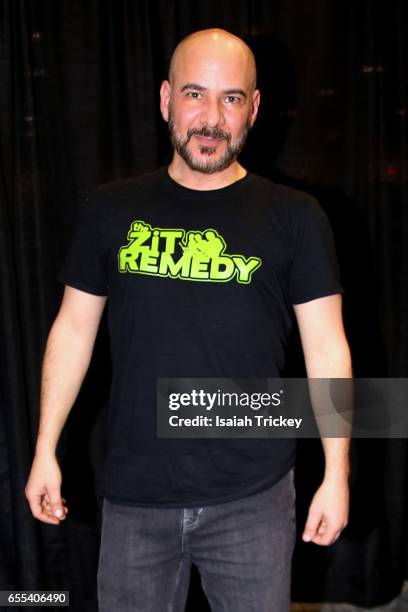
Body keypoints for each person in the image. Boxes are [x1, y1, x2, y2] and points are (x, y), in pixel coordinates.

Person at [25, 28, 351, 612]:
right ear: (165, 99)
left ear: (252, 109)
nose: (210, 117)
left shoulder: (296, 218)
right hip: (134, 497)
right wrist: (45, 447)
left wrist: (337, 471)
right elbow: (72, 329)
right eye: (195, 94)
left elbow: (327, 348)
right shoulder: (111, 208)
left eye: (230, 98)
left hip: (255, 499)